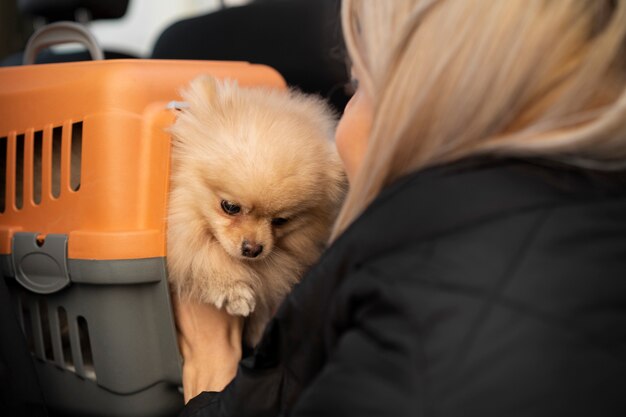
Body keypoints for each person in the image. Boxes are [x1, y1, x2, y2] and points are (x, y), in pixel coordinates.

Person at [175, 0, 626, 415]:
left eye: (360, 83)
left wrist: (211, 362)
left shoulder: (421, 303)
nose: (342, 112)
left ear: (416, 105)